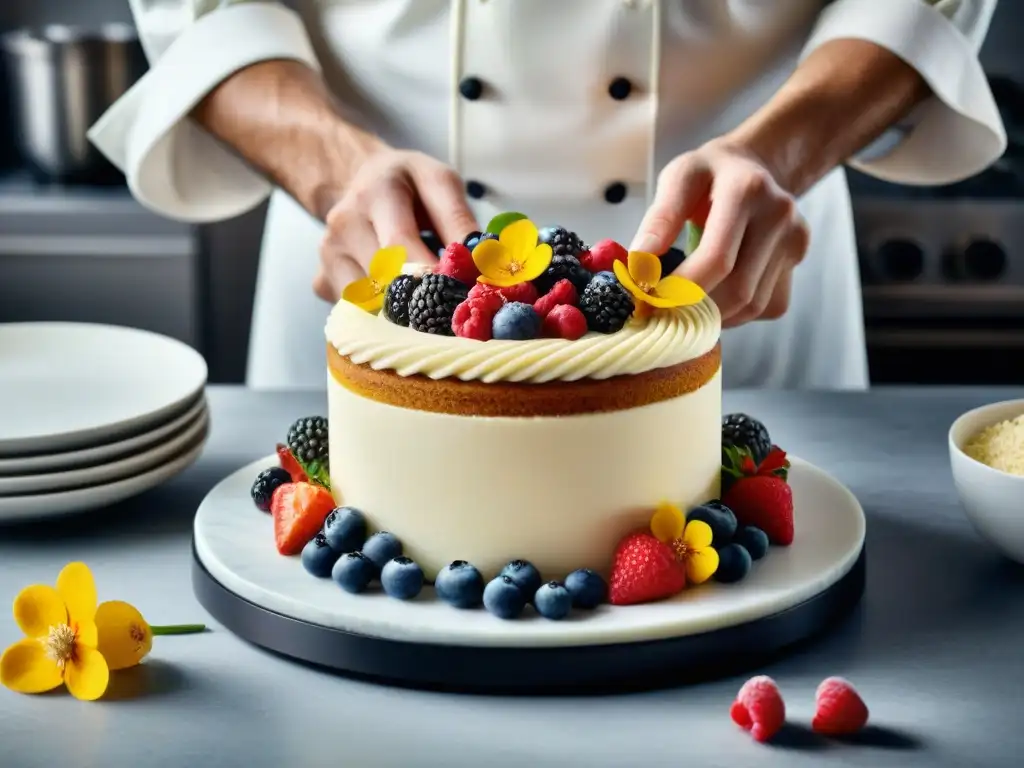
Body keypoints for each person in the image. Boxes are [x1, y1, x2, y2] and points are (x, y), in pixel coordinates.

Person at [90, 0, 1005, 390]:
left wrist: (785, 148)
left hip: (742, 280)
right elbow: (201, 10)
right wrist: (334, 167)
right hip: (373, 269)